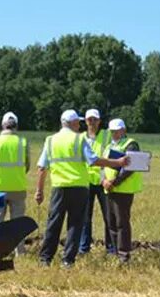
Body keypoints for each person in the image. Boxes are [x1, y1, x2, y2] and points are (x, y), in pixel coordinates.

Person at [35, 110, 128, 268]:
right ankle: (67, 260)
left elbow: (42, 167)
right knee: (75, 224)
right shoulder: (79, 139)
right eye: (78, 122)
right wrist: (117, 163)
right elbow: (93, 160)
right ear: (71, 124)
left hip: (59, 187)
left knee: (54, 222)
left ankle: (45, 258)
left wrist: (40, 190)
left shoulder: (50, 140)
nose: (80, 125)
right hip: (78, 187)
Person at [102, 118, 143, 264]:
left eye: (116, 130)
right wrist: (104, 181)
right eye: (112, 131)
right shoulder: (108, 147)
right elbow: (102, 166)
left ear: (123, 130)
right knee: (111, 222)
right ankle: (115, 252)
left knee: (122, 223)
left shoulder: (131, 144)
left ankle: (124, 255)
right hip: (109, 189)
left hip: (123, 190)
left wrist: (115, 182)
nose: (114, 133)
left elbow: (130, 167)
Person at [0, 112, 30, 241]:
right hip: (18, 187)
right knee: (18, 222)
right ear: (16, 126)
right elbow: (27, 165)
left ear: (2, 125)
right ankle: (19, 250)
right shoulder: (23, 142)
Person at [79, 108, 113, 255]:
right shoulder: (80, 138)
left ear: (99, 121)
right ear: (85, 122)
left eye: (95, 119)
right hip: (86, 182)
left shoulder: (107, 135)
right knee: (85, 218)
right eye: (89, 119)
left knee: (109, 216)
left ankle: (111, 248)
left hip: (103, 180)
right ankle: (83, 248)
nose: (92, 122)